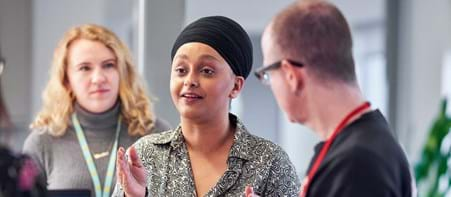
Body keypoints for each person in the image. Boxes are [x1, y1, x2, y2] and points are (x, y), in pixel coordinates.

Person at [113, 16, 300, 197]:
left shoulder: (270, 162)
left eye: (207, 71)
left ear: (235, 86)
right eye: (181, 70)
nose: (190, 81)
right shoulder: (145, 154)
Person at [249, 1, 414, 197]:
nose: (270, 86)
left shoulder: (355, 165)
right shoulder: (361, 146)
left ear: (290, 75)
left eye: (268, 75)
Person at [23, 24, 170, 197]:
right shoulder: (42, 142)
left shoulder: (157, 135)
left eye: (108, 65)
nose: (99, 78)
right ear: (66, 79)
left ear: (122, 72)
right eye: (85, 68)